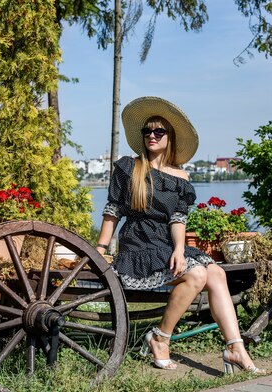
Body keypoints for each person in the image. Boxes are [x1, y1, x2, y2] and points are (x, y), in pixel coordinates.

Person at [96, 96, 263, 374]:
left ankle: (236, 348)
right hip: (138, 244)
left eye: (158, 131)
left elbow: (177, 219)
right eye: (147, 131)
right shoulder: (129, 167)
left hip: (166, 242)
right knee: (198, 275)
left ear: (169, 137)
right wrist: (100, 249)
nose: (151, 135)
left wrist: (178, 248)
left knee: (217, 274)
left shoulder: (181, 178)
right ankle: (161, 339)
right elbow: (112, 211)